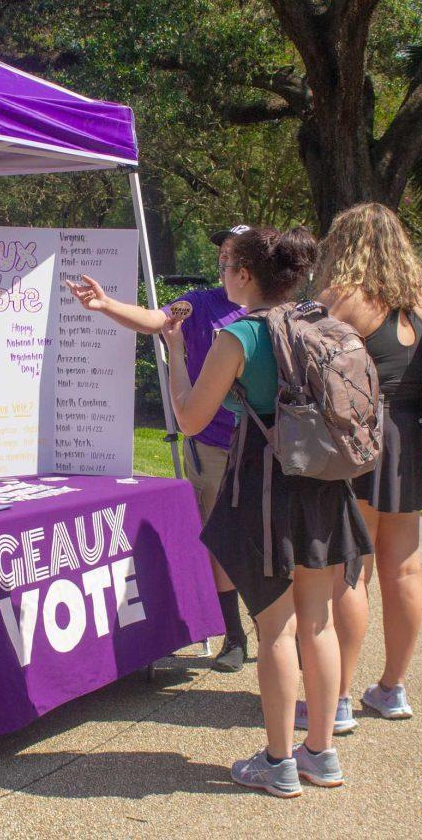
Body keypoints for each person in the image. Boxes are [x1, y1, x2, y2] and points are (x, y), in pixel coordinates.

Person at [165, 226, 372, 796]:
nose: (223, 273)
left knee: (275, 629)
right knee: (318, 623)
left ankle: (278, 761)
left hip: (266, 487)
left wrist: (177, 351)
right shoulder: (324, 324)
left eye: (230, 264)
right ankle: (320, 753)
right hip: (326, 484)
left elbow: (189, 417)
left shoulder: (240, 336)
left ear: (248, 275)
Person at [66, 227, 252, 671]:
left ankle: (280, 632)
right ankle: (234, 635)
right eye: (222, 254)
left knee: (268, 541)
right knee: (220, 540)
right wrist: (106, 304)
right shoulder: (200, 304)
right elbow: (155, 320)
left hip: (268, 445)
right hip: (210, 444)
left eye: (233, 256)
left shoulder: (278, 311)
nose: (223, 261)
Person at [312, 203, 422, 735]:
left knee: (352, 569)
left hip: (362, 441)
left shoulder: (343, 302)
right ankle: (391, 688)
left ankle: (337, 697)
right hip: (415, 439)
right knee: (404, 568)